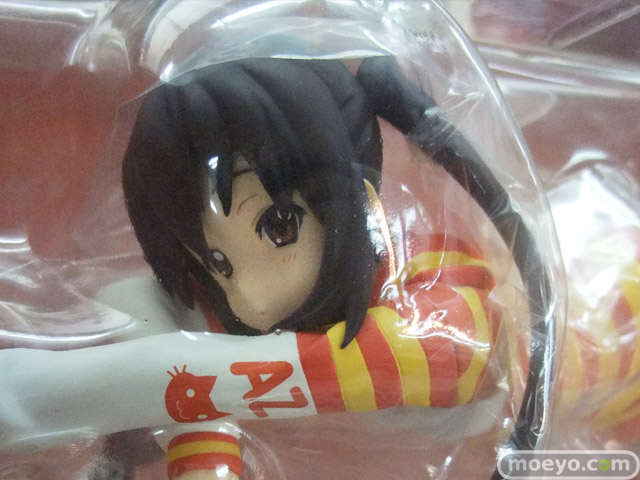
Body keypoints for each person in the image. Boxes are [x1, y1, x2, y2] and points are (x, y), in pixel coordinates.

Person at [0, 58, 505, 480]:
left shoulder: (429, 271)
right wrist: (198, 437)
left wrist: (176, 376)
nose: (252, 298)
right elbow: (134, 307)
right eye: (217, 262)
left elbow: (459, 356)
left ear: (355, 202)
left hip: (501, 419)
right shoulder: (228, 311)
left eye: (279, 228)